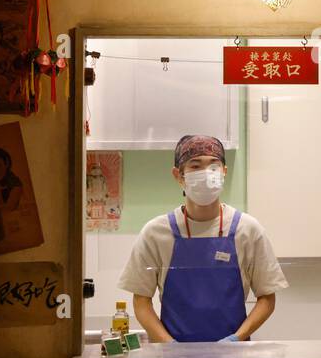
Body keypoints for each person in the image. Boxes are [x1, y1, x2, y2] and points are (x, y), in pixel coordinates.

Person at [118, 134, 287, 343]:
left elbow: (267, 298)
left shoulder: (248, 230)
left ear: (224, 172)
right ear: (178, 175)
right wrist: (170, 346)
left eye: (213, 166)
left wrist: (237, 339)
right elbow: (141, 302)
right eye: (195, 166)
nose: (206, 174)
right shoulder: (156, 233)